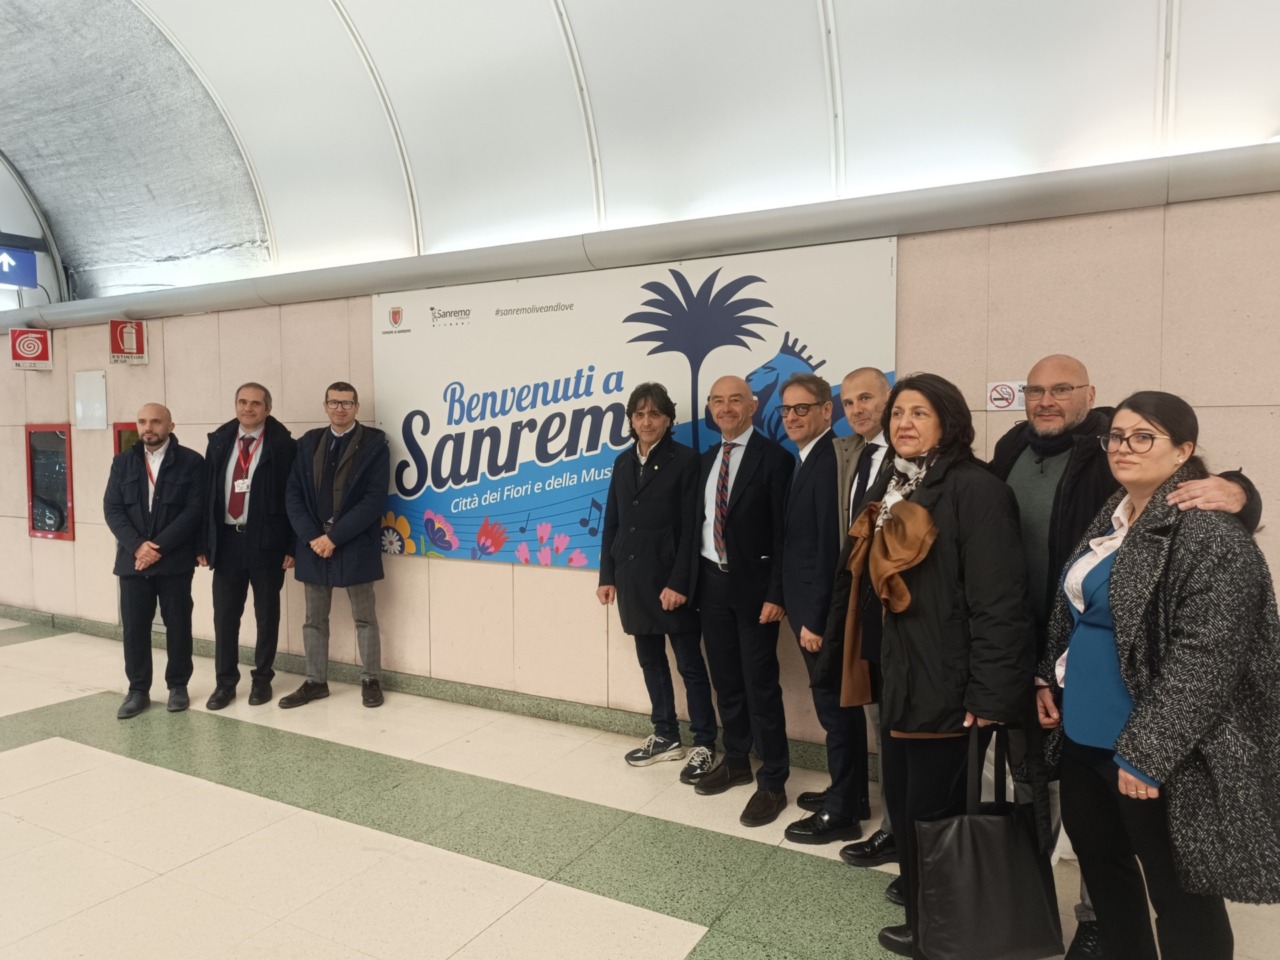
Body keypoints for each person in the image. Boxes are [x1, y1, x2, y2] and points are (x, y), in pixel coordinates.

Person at [988, 353, 1260, 960]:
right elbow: (1072, 612)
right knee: (1105, 871)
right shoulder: (1112, 517)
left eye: (1145, 437)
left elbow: (1205, 661)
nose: (1125, 447)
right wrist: (1045, 677)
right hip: (1085, 735)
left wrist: (1148, 754)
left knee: (1181, 893)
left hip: (1151, 749)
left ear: (1183, 450)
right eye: (1118, 436)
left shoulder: (1210, 534)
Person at [843, 373, 1033, 958]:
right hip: (903, 676)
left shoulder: (975, 490)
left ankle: (943, 933)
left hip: (948, 687)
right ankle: (930, 915)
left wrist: (987, 696)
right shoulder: (898, 483)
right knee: (906, 806)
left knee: (938, 813)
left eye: (919, 413)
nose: (904, 423)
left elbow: (999, 602)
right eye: (898, 413)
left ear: (947, 423)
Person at [597, 382, 718, 783]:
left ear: (668, 419)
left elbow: (690, 529)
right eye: (639, 414)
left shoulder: (686, 461)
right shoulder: (621, 462)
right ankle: (666, 734)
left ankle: (704, 742)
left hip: (670, 583)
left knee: (689, 665)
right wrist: (607, 576)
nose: (646, 421)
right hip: (632, 579)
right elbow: (612, 521)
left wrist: (679, 582)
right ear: (631, 420)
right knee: (650, 660)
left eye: (655, 414)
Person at [693, 375, 794, 827]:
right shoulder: (705, 462)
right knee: (726, 679)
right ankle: (736, 759)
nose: (726, 407)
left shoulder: (776, 460)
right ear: (710, 408)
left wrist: (777, 593)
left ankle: (773, 780)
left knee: (760, 684)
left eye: (735, 400)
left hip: (756, 593)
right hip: (712, 585)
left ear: (753, 406)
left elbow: (784, 536)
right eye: (718, 401)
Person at [775, 373, 864, 844]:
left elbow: (830, 550)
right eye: (786, 410)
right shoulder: (806, 459)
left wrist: (815, 619)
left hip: (818, 614)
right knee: (834, 707)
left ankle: (844, 810)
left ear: (828, 411)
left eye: (801, 409)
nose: (792, 417)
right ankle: (848, 791)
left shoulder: (830, 461)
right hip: (806, 607)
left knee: (835, 710)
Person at [282, 382, 390, 709]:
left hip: (354, 543)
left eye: (346, 403)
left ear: (356, 407)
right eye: (334, 402)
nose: (339, 409)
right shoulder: (309, 443)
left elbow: (373, 501)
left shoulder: (374, 445)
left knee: (365, 617)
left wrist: (334, 537)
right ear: (325, 405)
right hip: (313, 546)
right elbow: (293, 495)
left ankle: (371, 679)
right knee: (314, 619)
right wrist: (313, 538)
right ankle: (315, 682)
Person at [830, 367, 897, 871]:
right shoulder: (855, 453)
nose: (857, 409)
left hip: (898, 614)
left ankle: (898, 832)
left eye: (867, 398)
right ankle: (886, 822)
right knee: (876, 720)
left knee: (895, 729)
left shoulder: (907, 459)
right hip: (862, 609)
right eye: (849, 401)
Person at [103, 402, 206, 719]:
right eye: (143, 421)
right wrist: (138, 547)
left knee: (178, 625)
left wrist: (156, 547)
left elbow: (194, 511)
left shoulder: (191, 462)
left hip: (174, 562)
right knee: (134, 629)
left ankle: (178, 686)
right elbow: (113, 509)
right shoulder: (123, 463)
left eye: (156, 422)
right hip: (133, 564)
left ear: (170, 426)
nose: (148, 427)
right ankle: (137, 690)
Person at [199, 383, 297, 710]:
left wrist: (292, 545)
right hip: (226, 541)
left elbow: (294, 499)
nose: (248, 408)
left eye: (256, 403)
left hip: (266, 542)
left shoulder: (284, 446)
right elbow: (206, 496)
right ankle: (225, 683)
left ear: (267, 409)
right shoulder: (218, 442)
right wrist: (204, 541)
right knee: (225, 617)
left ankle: (262, 680)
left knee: (266, 615)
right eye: (242, 402)